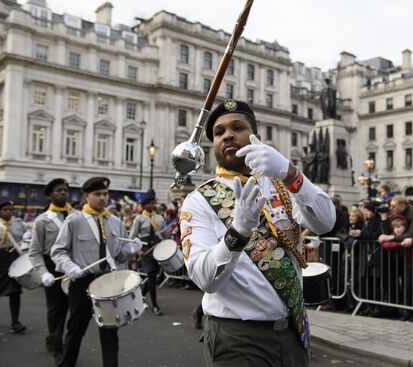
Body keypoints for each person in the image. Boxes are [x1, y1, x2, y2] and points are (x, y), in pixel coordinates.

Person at [180, 99, 336, 366]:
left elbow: (325, 222)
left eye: (237, 127)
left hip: (293, 331)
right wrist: (238, 230)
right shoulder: (199, 200)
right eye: (219, 132)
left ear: (257, 138)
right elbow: (205, 279)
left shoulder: (283, 187)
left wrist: (290, 172)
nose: (227, 135)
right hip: (238, 338)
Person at [51, 177, 142, 367]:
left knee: (110, 333)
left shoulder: (116, 222)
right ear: (86, 196)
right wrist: (69, 267)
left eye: (105, 194)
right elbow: (58, 251)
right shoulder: (74, 221)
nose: (102, 198)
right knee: (76, 330)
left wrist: (132, 249)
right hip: (82, 282)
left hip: (109, 282)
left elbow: (120, 255)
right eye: (97, 194)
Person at [28, 178, 73, 358]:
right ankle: (56, 345)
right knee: (55, 309)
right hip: (52, 269)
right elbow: (35, 252)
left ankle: (64, 342)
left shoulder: (77, 215)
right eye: (58, 190)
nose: (63, 193)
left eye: (65, 190)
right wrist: (43, 272)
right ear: (50, 195)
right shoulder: (42, 220)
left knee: (74, 309)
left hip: (73, 268)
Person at [381, 215, 413, 322]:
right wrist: (401, 244)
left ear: (405, 226)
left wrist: (411, 240)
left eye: (399, 227)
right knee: (407, 289)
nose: (397, 229)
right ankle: (407, 312)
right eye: (395, 227)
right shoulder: (396, 235)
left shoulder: (412, 232)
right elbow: (385, 244)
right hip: (408, 265)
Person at [0, 200, 29, 333]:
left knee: (15, 292)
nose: (8, 212)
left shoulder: (20, 224)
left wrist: (27, 239)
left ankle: (15, 322)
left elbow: (30, 235)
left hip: (14, 259)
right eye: (5, 210)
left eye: (10, 209)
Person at [129, 192, 167, 316]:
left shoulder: (160, 218)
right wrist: (138, 250)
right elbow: (132, 237)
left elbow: (165, 235)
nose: (151, 205)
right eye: (149, 203)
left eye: (153, 203)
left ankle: (139, 298)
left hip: (158, 249)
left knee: (152, 276)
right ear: (144, 205)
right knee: (151, 275)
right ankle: (155, 305)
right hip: (146, 251)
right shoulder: (139, 219)